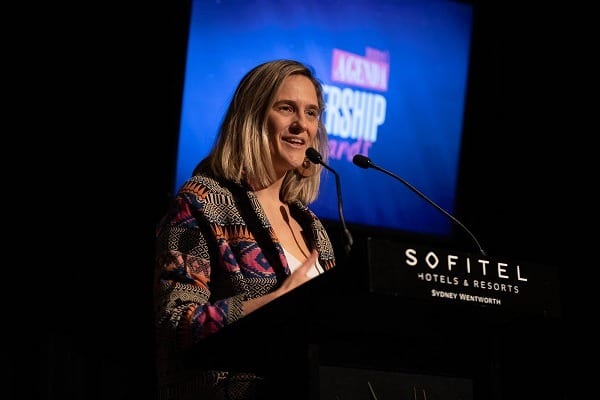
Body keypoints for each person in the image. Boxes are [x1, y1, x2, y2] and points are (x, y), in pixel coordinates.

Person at [154, 59, 337, 400]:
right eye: (287, 108)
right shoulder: (202, 202)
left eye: (311, 113)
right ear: (252, 117)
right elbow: (176, 323)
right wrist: (280, 301)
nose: (301, 125)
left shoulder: (312, 228)